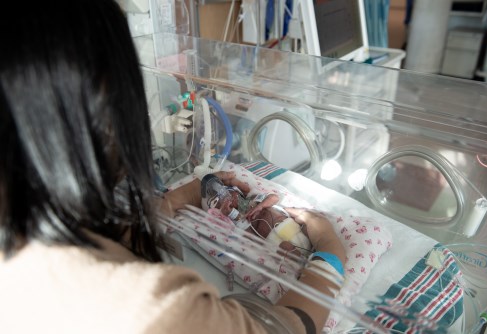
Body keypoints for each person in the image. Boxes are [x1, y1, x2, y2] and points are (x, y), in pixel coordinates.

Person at [0, 1, 345, 333]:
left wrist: (174, 201)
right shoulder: (143, 308)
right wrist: (330, 252)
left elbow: (86, 229)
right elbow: (281, 328)